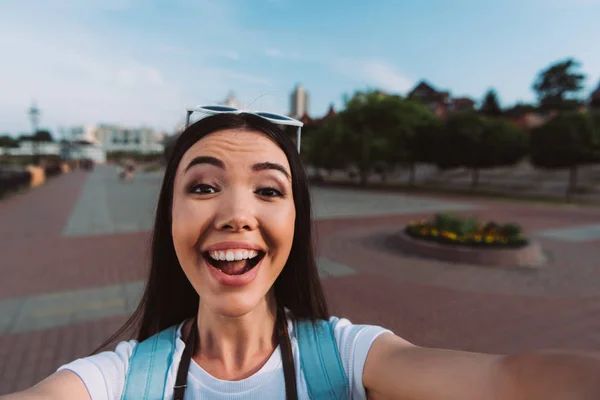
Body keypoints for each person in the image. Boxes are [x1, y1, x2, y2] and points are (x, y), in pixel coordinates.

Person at [3, 111, 600, 400]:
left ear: (297, 221)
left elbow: (507, 381)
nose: (237, 214)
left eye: (269, 190)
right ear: (168, 218)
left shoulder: (342, 358)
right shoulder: (120, 380)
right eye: (204, 186)